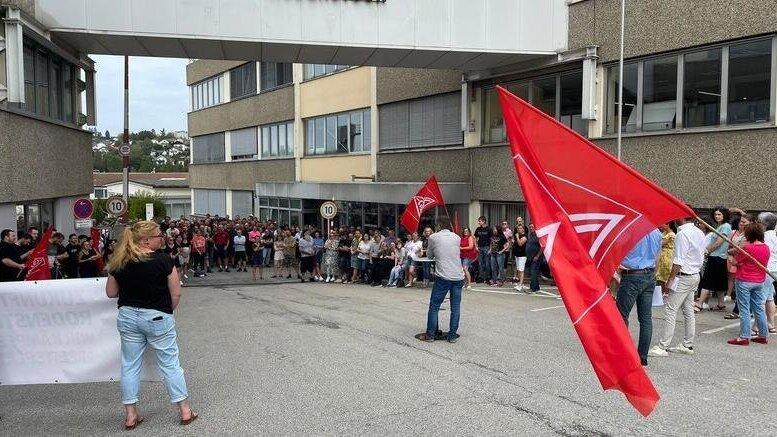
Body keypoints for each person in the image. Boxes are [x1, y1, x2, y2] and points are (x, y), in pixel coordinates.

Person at [104, 221, 198, 430]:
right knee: (170, 364)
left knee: (129, 365)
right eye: (158, 236)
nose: (162, 238)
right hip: (157, 316)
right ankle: (184, 410)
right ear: (146, 240)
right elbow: (176, 293)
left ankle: (130, 415)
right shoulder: (163, 260)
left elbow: (110, 292)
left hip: (128, 316)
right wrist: (166, 311)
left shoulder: (120, 260)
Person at [649, 215, 706, 357]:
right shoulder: (698, 232)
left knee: (670, 309)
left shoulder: (682, 234)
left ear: (681, 217)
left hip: (684, 275)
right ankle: (687, 344)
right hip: (694, 274)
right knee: (688, 310)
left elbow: (678, 260)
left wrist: (670, 280)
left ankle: (663, 346)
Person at [616, 228, 662, 366]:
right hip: (649, 274)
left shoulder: (629, 230)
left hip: (632, 275)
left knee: (621, 316)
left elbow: (618, 250)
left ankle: (622, 352)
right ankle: (642, 356)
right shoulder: (656, 232)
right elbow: (658, 257)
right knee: (646, 318)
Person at [415, 217, 464, 343]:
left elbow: (430, 255)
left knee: (434, 306)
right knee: (455, 307)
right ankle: (452, 335)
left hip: (443, 276)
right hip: (458, 276)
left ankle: (431, 334)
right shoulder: (457, 237)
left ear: (438, 226)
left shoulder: (433, 237)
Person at [726, 222, 771, 345]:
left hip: (745, 280)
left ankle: (744, 336)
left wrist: (731, 258)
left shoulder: (747, 248)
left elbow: (735, 261)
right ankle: (763, 334)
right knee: (758, 308)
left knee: (744, 309)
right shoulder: (766, 247)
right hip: (759, 281)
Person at [696, 207, 732, 312]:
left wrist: (708, 251)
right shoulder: (720, 226)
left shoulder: (725, 226)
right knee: (720, 282)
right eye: (716, 214)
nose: (717, 216)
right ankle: (721, 304)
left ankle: (700, 303)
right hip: (719, 257)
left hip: (717, 257)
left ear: (724, 215)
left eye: (719, 214)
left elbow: (718, 242)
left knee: (707, 281)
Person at [758, 212, 777, 332]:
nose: (758, 224)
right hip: (772, 269)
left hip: (766, 269)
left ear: (765, 224)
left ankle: (758, 326)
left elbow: (765, 253)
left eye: (759, 222)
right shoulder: (773, 235)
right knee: (769, 297)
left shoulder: (767, 236)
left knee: (760, 298)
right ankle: (770, 324)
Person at [525, 224, 542, 294]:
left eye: (532, 227)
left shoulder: (538, 235)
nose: (531, 228)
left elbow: (542, 246)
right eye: (530, 227)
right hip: (530, 257)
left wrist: (537, 256)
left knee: (533, 272)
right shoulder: (531, 235)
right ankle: (536, 287)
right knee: (533, 272)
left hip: (536, 257)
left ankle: (533, 288)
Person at [474, 216, 491, 283]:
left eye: (480, 221)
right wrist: (476, 246)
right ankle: (481, 277)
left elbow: (491, 239)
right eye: (479, 221)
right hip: (480, 247)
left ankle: (487, 278)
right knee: (480, 263)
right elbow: (475, 237)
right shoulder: (478, 229)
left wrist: (490, 248)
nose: (479, 222)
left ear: (484, 221)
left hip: (486, 247)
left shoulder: (489, 229)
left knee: (487, 263)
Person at [511, 225, 528, 291]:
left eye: (520, 228)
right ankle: (519, 283)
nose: (519, 229)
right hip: (517, 255)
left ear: (523, 229)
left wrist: (517, 237)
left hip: (522, 256)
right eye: (518, 228)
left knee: (521, 270)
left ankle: (520, 284)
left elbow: (520, 244)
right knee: (518, 269)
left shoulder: (525, 236)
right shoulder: (517, 236)